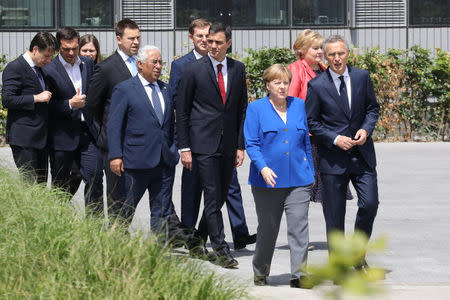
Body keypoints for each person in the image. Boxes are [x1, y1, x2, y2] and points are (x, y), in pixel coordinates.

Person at [168, 18, 256, 255]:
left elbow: (240, 110)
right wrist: (184, 146)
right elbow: (182, 110)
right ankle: (220, 247)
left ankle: (197, 240)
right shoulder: (192, 69)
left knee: (219, 196)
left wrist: (240, 145)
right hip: (202, 144)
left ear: (228, 43)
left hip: (227, 145)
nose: (212, 45)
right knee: (211, 194)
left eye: (217, 42)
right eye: (209, 41)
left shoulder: (238, 69)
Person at [305, 35, 380, 271]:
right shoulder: (316, 85)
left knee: (370, 204)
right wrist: (335, 138)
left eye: (341, 53)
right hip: (333, 159)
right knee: (334, 216)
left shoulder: (362, 77)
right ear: (325, 57)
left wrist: (366, 130)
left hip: (362, 156)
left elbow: (372, 108)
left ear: (348, 53)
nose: (337, 59)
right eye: (332, 55)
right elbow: (311, 122)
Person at [244, 64, 314, 288]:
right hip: (267, 181)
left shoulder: (299, 105)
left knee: (299, 226)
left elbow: (305, 142)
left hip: (298, 179)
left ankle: (300, 274)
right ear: (268, 85)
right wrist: (263, 167)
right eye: (277, 82)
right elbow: (252, 144)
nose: (283, 86)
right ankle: (261, 270)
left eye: (285, 82)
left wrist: (310, 172)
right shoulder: (256, 108)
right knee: (268, 228)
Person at [107, 45, 179, 240]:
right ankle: (113, 244)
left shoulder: (165, 89)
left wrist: (174, 149)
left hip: (164, 162)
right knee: (126, 208)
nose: (158, 66)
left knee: (162, 211)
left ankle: (158, 252)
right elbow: (114, 125)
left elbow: (171, 124)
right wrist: (115, 155)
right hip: (135, 162)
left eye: (160, 62)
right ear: (140, 64)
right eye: (153, 62)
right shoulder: (125, 89)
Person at [288, 29, 353, 204]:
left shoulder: (325, 69)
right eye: (314, 48)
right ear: (302, 50)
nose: (320, 52)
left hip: (326, 135)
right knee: (308, 191)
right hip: (308, 137)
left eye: (320, 48)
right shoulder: (295, 70)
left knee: (330, 189)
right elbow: (291, 104)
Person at [44, 27, 103, 212]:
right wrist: (69, 104)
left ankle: (95, 227)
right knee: (61, 184)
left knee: (95, 177)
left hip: (88, 133)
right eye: (65, 49)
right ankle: (56, 220)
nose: (71, 53)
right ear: (57, 47)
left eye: (74, 48)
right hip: (62, 135)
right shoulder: (49, 69)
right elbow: (46, 105)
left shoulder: (87, 63)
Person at [86, 18, 140, 216]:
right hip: (115, 145)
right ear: (119, 39)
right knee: (117, 196)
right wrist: (103, 136)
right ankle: (116, 240)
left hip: (139, 143)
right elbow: (91, 106)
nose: (135, 42)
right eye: (131, 38)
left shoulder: (142, 64)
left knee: (134, 195)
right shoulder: (106, 68)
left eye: (138, 38)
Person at [1, 31, 57, 184]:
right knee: (29, 185)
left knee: (41, 184)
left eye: (51, 56)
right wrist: (36, 98)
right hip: (24, 138)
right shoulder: (15, 67)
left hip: (41, 138)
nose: (49, 60)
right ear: (35, 49)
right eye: (46, 56)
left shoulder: (41, 69)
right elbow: (7, 99)